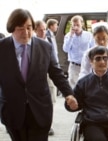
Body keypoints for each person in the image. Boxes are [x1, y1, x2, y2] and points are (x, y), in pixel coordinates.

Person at [0, 8, 78, 141]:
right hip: (12, 110)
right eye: (20, 28)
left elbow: (56, 72)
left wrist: (69, 94)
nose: (26, 33)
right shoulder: (2, 48)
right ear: (12, 28)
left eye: (29, 27)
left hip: (40, 110)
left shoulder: (44, 47)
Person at [67, 46, 108, 141]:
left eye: (105, 58)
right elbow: (74, 103)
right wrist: (71, 105)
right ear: (91, 61)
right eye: (98, 58)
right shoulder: (83, 83)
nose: (102, 62)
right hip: (93, 123)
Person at [34, 20, 57, 136]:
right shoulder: (34, 43)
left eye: (44, 29)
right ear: (35, 30)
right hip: (39, 75)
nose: (43, 32)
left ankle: (48, 124)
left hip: (50, 72)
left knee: (51, 99)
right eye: (40, 30)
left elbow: (54, 55)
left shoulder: (48, 40)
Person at [63, 15, 95, 88]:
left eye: (78, 24)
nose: (76, 27)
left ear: (82, 24)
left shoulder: (89, 35)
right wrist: (71, 36)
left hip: (86, 65)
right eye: (74, 25)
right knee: (73, 88)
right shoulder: (68, 36)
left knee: (87, 86)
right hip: (74, 66)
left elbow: (93, 49)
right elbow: (65, 49)